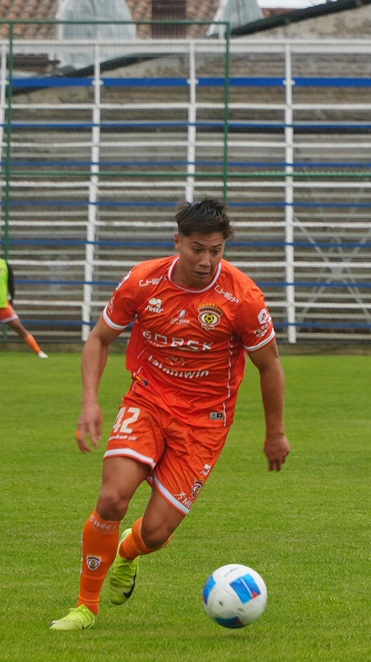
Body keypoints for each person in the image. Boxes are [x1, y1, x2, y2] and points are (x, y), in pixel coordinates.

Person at [50, 198, 291, 631]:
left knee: (156, 533)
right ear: (178, 241)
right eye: (197, 249)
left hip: (204, 423)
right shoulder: (143, 281)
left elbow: (269, 365)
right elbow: (100, 339)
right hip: (148, 401)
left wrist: (275, 432)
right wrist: (89, 401)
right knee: (112, 498)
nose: (206, 261)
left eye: (216, 251)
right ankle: (86, 607)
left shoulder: (242, 297)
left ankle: (128, 552)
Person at [0, 255, 47, 358]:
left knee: (19, 328)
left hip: (3, 305)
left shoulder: (4, 265)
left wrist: (11, 300)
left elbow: (11, 284)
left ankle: (38, 352)